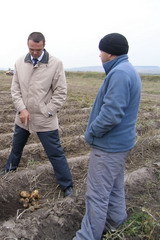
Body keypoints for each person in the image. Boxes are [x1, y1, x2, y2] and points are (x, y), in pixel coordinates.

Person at [73, 33, 141, 240]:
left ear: (109, 52)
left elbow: (111, 114)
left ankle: (87, 236)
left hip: (109, 146)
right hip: (121, 144)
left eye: (101, 50)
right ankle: (115, 223)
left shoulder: (119, 73)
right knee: (114, 187)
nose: (100, 55)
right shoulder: (128, 70)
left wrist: (92, 132)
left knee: (97, 195)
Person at [2, 32, 73, 197]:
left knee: (55, 153)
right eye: (31, 49)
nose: (34, 53)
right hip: (23, 117)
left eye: (38, 49)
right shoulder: (20, 62)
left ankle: (67, 186)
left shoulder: (55, 64)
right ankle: (8, 171)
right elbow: (15, 89)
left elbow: (61, 92)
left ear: (44, 45)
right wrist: (22, 109)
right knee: (16, 148)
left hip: (44, 119)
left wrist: (47, 110)